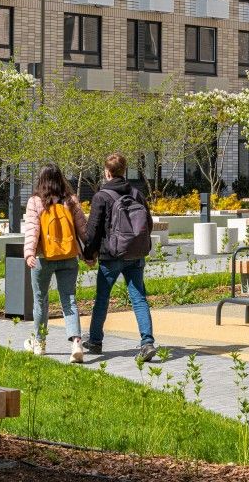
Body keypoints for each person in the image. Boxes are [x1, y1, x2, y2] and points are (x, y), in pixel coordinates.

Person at [82, 153, 157, 362]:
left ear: (107, 172)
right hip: (135, 254)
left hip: (111, 255)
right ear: (124, 171)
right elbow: (148, 224)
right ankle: (147, 342)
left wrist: (89, 254)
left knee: (102, 298)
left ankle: (95, 341)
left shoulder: (101, 196)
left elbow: (93, 230)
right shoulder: (137, 193)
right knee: (139, 298)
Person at [21, 164, 88, 363]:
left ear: (41, 180)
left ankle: (39, 343)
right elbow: (83, 230)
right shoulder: (71, 200)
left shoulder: (35, 202)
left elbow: (32, 230)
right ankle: (76, 342)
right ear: (61, 179)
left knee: (40, 300)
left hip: (43, 258)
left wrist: (29, 253)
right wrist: (90, 253)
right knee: (69, 299)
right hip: (68, 257)